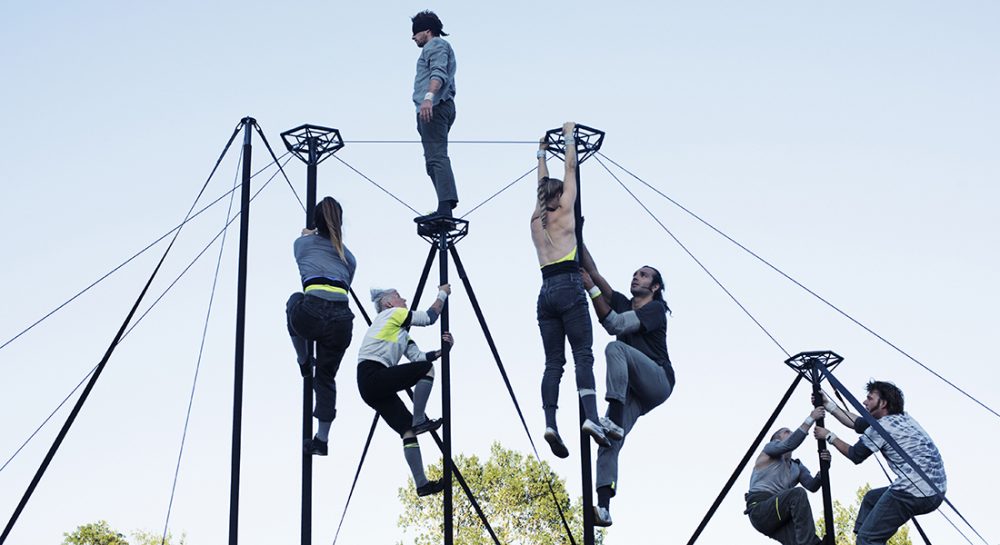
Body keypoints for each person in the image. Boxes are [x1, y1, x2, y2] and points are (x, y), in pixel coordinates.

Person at [579, 245, 676, 527]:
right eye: (635, 274)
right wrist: (575, 234)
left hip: (658, 380)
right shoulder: (624, 301)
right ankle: (604, 507)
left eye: (644, 275)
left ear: (655, 286)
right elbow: (594, 273)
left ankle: (615, 419)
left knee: (614, 349)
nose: (636, 277)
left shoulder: (655, 309)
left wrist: (591, 291)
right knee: (608, 442)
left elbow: (615, 325)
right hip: (634, 391)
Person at [531, 122, 607, 459]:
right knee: (583, 354)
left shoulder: (537, 217)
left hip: (545, 290)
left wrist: (541, 153)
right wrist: (568, 137)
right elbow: (572, 168)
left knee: (552, 363)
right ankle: (591, 417)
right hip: (569, 285)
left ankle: (550, 422)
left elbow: (541, 184)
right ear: (561, 195)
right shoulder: (565, 212)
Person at [814, 381, 946, 545]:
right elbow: (858, 423)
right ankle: (862, 537)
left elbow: (855, 455)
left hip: (911, 492)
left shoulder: (881, 427)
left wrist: (829, 436)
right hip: (935, 491)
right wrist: (828, 405)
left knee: (868, 539)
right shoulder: (903, 418)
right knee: (871, 499)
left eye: (869, 398)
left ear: (883, 403)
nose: (864, 402)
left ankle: (864, 540)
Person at [356, 283, 452, 497]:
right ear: (389, 303)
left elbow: (419, 358)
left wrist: (443, 350)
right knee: (426, 371)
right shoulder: (392, 314)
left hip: (369, 384)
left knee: (406, 431)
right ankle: (419, 420)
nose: (405, 301)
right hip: (372, 373)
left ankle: (422, 484)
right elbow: (430, 317)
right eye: (399, 297)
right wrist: (442, 293)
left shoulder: (399, 332)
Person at [286, 196, 356, 456]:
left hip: (311, 314)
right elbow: (345, 282)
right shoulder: (349, 257)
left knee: (294, 302)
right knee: (326, 378)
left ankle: (304, 360)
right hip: (341, 320)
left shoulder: (302, 244)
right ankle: (322, 439)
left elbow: (305, 252)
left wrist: (308, 233)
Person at [744, 407, 829, 545]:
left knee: (798, 540)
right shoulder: (769, 449)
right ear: (777, 440)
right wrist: (811, 418)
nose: (791, 433)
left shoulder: (797, 466)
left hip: (779, 514)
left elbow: (812, 486)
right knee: (797, 494)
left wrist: (824, 469)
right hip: (760, 508)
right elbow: (790, 443)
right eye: (786, 432)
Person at [411, 10, 458, 221]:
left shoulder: (435, 45)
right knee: (432, 157)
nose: (413, 37)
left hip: (435, 106)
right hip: (437, 107)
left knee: (436, 156)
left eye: (415, 32)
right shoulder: (436, 47)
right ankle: (444, 202)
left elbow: (438, 72)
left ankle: (445, 205)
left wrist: (428, 98)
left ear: (427, 31)